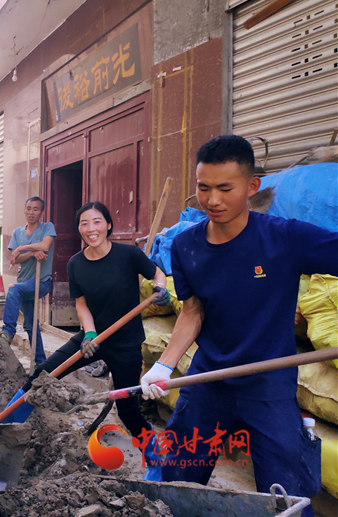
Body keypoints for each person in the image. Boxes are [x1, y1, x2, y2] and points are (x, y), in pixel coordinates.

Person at [140, 135, 337, 514]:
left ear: (251, 187)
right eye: (203, 188)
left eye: (224, 188)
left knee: (287, 496)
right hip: (208, 380)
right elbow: (192, 310)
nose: (212, 200)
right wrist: (165, 363)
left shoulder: (284, 238)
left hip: (268, 384)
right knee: (176, 483)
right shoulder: (186, 247)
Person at [0, 201, 170, 472]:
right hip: (90, 337)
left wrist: (160, 287)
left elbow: (156, 272)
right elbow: (81, 304)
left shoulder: (129, 255)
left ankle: (155, 459)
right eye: (84, 223)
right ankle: (0, 427)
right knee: (41, 376)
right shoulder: (76, 263)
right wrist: (89, 333)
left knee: (128, 412)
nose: (91, 228)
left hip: (125, 344)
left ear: (108, 225)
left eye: (97, 221)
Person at [0, 196, 56, 365]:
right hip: (25, 283)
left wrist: (23, 248)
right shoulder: (17, 232)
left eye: (36, 209)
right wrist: (31, 253)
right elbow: (15, 259)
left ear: (41, 212)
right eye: (29, 208)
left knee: (13, 289)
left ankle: (7, 331)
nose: (32, 212)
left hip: (41, 281)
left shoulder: (47, 227)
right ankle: (40, 363)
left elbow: (45, 246)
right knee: (31, 326)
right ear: (24, 210)